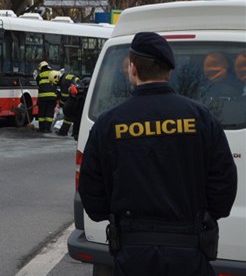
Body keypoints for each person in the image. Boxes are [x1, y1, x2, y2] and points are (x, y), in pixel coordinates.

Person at [79, 32, 238, 276]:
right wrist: (202, 216)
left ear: (133, 68)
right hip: (189, 251)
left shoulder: (108, 124)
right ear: (169, 71)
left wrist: (112, 214)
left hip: (132, 254)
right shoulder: (201, 117)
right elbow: (224, 184)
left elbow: (92, 193)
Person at [35, 61, 58, 132]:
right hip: (52, 98)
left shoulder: (40, 75)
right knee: (49, 113)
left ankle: (41, 128)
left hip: (42, 98)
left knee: (41, 113)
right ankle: (47, 128)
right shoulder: (53, 73)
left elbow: (38, 84)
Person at [56, 71, 80, 136]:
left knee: (68, 116)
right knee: (76, 117)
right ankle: (75, 133)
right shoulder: (66, 76)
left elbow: (64, 97)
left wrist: (61, 105)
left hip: (74, 98)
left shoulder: (63, 82)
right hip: (78, 96)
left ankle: (63, 132)